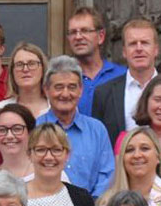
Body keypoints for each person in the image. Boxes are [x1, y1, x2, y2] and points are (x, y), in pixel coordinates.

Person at [35, 55, 116, 198]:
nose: (65, 94)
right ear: (46, 90)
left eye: (72, 87)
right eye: (58, 87)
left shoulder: (97, 130)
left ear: (80, 90)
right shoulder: (35, 129)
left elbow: (107, 175)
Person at [91, 18, 160, 146]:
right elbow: (98, 144)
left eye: (145, 43)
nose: (139, 48)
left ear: (156, 49)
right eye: (132, 44)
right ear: (124, 51)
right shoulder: (103, 93)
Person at [67, 6, 126, 117]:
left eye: (85, 31)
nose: (78, 37)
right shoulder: (63, 78)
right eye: (73, 32)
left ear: (101, 36)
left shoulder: (122, 75)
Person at [0, 104, 37, 187]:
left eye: (17, 129)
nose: (9, 136)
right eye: (2, 130)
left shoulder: (47, 174)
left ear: (30, 133)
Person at [0, 42, 51, 119]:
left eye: (32, 63)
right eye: (19, 64)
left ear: (43, 68)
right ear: (12, 71)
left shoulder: (57, 109)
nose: (25, 69)